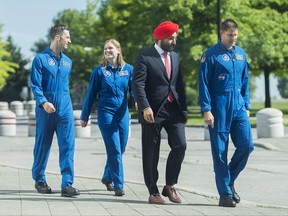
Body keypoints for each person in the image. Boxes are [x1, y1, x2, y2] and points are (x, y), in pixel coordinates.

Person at [198, 19, 254, 207]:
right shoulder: (211, 55)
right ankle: (225, 195)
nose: (233, 39)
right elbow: (203, 84)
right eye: (230, 35)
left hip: (238, 107)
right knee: (220, 153)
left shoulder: (241, 54)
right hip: (219, 107)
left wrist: (246, 105)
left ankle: (228, 181)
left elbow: (245, 80)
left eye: (236, 35)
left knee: (247, 145)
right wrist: (206, 109)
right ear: (221, 33)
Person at [132, 21, 188, 205]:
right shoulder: (145, 57)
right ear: (161, 38)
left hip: (174, 109)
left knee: (180, 145)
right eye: (171, 38)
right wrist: (145, 106)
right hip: (153, 111)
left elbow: (179, 84)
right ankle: (153, 190)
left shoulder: (176, 57)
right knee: (151, 152)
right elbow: (138, 84)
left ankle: (169, 185)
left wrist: (184, 109)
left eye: (175, 38)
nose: (174, 41)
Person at [30, 24, 80, 197]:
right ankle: (39, 179)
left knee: (68, 145)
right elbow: (35, 86)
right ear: (58, 37)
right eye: (67, 37)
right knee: (42, 145)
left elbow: (65, 86)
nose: (69, 41)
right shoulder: (40, 59)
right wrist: (43, 102)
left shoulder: (68, 62)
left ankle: (67, 184)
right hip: (46, 110)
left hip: (65, 109)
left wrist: (66, 106)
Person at [80, 39, 134, 196]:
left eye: (110, 48)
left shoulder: (128, 69)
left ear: (118, 50)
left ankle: (106, 176)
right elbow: (90, 94)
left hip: (123, 113)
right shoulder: (99, 71)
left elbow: (134, 90)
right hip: (106, 113)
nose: (107, 51)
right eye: (105, 49)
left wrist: (139, 103)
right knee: (114, 149)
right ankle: (118, 184)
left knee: (121, 147)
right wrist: (85, 115)